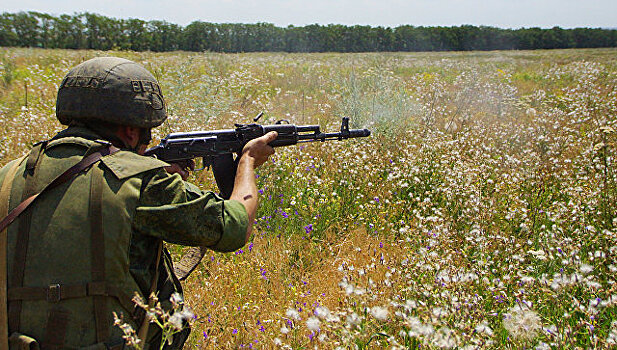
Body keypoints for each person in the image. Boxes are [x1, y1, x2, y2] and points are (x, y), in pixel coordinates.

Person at [0, 57, 276, 349]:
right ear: (132, 131)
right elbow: (235, 226)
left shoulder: (9, 175)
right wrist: (247, 162)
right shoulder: (142, 183)